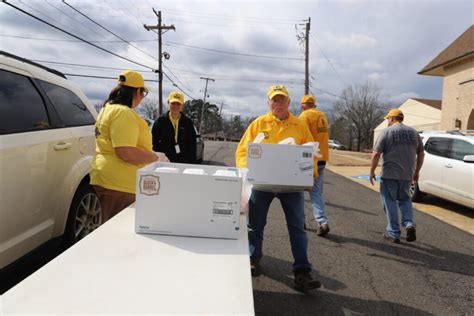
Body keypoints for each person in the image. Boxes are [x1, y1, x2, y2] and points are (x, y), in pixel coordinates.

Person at [235, 85, 321, 292]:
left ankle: (302, 271)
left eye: (282, 100)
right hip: (262, 185)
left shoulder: (299, 125)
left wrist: (311, 176)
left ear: (289, 103)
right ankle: (253, 260)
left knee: (297, 228)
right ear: (268, 103)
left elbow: (311, 154)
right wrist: (246, 172)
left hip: (290, 187)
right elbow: (241, 152)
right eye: (275, 100)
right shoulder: (258, 123)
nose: (278, 103)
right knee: (255, 225)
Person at [90, 70, 168, 223]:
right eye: (143, 92)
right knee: (118, 231)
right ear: (137, 91)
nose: (142, 98)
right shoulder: (123, 113)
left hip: (107, 178)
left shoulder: (108, 109)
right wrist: (155, 157)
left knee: (109, 226)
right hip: (120, 184)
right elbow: (126, 152)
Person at [370, 108, 424, 243]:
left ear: (392, 118)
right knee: (405, 200)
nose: (387, 121)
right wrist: (416, 171)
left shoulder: (387, 132)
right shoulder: (413, 132)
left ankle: (393, 232)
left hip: (390, 174)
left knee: (389, 202)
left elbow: (376, 153)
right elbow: (421, 153)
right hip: (407, 175)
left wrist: (372, 171)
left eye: (388, 119)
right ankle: (409, 224)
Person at [299, 95, 330, 236]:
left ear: (304, 105)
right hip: (322, 157)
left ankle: (300, 220)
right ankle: (322, 222)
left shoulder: (305, 116)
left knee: (298, 190)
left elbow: (301, 137)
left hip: (308, 158)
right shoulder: (322, 115)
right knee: (316, 192)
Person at [152, 91, 197, 163]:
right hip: (164, 162)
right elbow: (153, 142)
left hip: (183, 162)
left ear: (182, 105)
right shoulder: (160, 121)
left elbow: (192, 144)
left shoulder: (187, 122)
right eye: (173, 103)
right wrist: (159, 157)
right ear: (168, 103)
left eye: (178, 104)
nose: (175, 106)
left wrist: (192, 164)